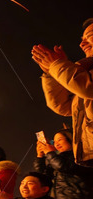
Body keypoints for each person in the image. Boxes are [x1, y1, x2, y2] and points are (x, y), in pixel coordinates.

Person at [32, 18, 93, 166]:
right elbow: (62, 106)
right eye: (82, 39)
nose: (82, 44)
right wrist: (50, 74)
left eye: (89, 37)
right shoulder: (84, 70)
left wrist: (57, 65)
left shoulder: (83, 75)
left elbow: (87, 88)